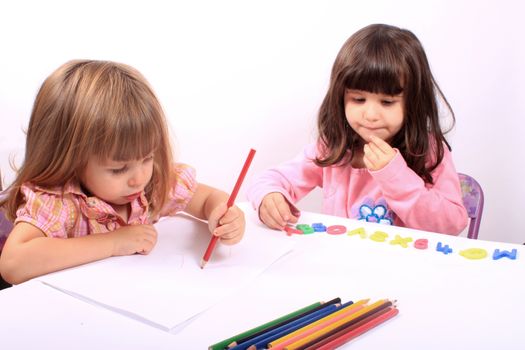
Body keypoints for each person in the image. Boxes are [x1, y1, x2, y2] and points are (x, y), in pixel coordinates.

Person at [0, 60, 245, 285]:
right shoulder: (60, 202)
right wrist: (114, 243)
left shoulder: (152, 185)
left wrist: (223, 214)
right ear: (70, 160)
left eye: (147, 157)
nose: (139, 178)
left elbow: (206, 199)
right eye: (118, 169)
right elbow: (13, 263)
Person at [247, 24, 468, 235]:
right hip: (342, 268)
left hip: (404, 270)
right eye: (358, 99)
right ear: (341, 97)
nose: (370, 115)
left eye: (387, 102)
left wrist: (395, 175)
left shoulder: (428, 150)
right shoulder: (334, 148)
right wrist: (269, 196)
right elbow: (270, 179)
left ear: (413, 102)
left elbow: (451, 224)